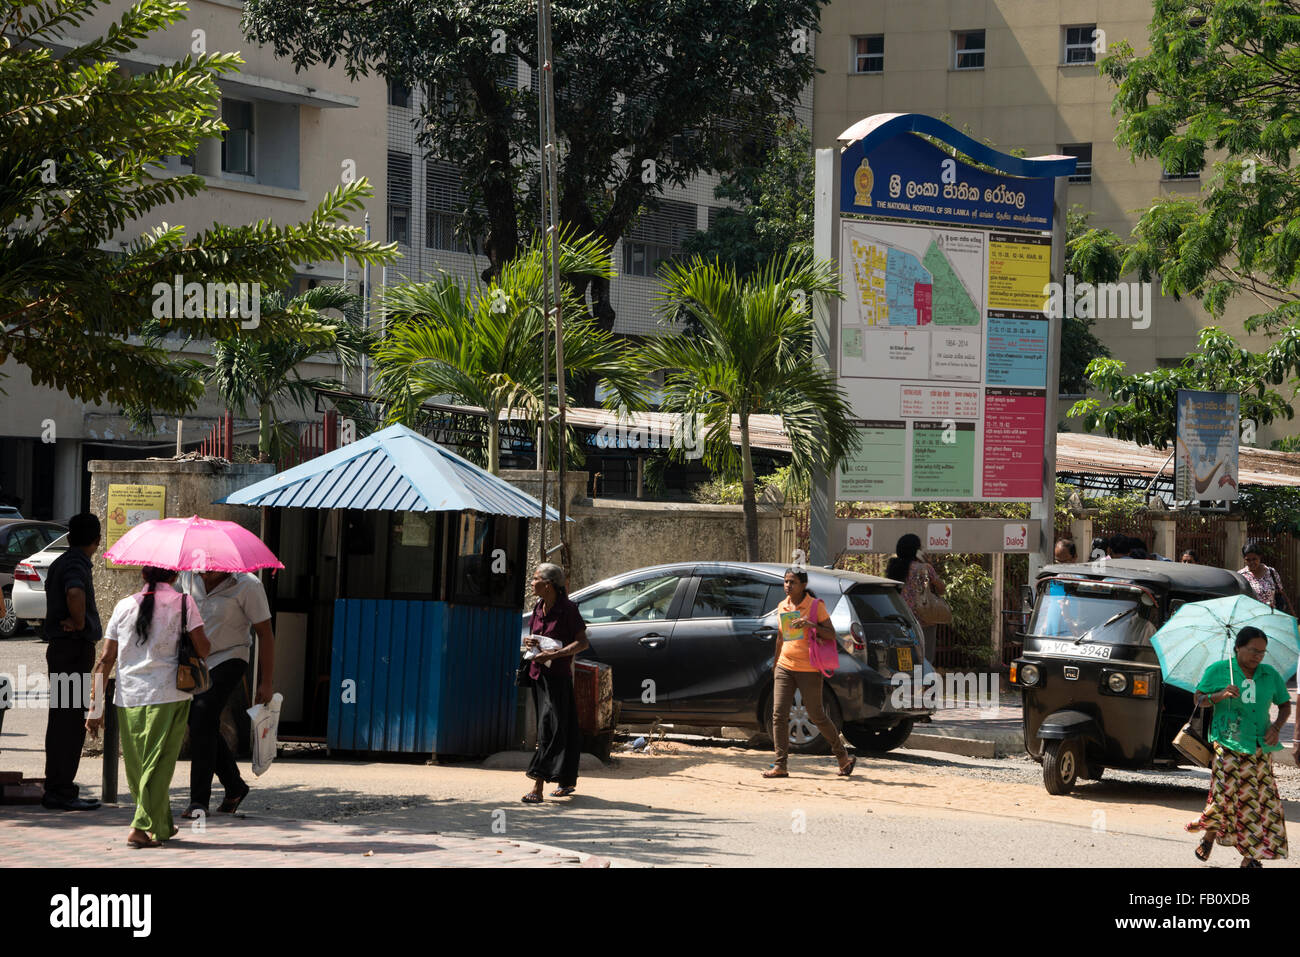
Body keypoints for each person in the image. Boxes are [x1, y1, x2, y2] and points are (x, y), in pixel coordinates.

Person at [86, 566, 210, 848]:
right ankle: (140, 828)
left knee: (141, 767)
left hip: (128, 697)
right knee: (158, 764)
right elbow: (204, 649)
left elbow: (105, 659)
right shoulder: (184, 602)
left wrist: (93, 708)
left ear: (142, 576)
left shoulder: (122, 606)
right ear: (174, 577)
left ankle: (163, 825)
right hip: (169, 695)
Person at [1187, 626, 1290, 867]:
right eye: (1254, 651)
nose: (1258, 656)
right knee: (1225, 798)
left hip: (1259, 748)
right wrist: (1220, 695)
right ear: (1238, 648)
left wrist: (1275, 728)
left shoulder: (1269, 674)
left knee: (1262, 802)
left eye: (1263, 652)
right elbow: (1198, 699)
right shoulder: (1220, 670)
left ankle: (1250, 859)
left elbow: (1285, 705)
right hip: (1227, 743)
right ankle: (1210, 835)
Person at [180, 570, 275, 819]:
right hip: (197, 660)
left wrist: (266, 682)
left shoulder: (247, 585)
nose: (207, 568)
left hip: (230, 657)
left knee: (202, 713)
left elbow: (265, 633)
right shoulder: (188, 578)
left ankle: (198, 801)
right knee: (201, 721)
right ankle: (234, 786)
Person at [763, 567, 855, 779]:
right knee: (778, 715)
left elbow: (831, 635)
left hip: (810, 669)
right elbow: (780, 637)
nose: (787, 585)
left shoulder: (815, 606)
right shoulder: (782, 606)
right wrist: (776, 663)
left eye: (792, 582)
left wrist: (811, 624)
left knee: (816, 715)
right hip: (785, 666)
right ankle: (780, 765)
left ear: (803, 585)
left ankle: (842, 757)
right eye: (786, 581)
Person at [41, 513, 103, 811]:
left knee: (62, 720)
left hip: (63, 650)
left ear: (68, 537)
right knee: (68, 723)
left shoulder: (60, 562)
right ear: (97, 540)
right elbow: (75, 591)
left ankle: (59, 786)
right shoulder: (76, 563)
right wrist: (79, 623)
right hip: (73, 650)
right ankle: (61, 790)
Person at [522, 563, 588, 803]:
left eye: (535, 578)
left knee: (550, 729)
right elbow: (540, 639)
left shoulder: (568, 609)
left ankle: (537, 786)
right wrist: (531, 643)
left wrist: (555, 655)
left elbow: (582, 643)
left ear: (548, 584)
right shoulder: (538, 607)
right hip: (538, 676)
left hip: (558, 678)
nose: (531, 582)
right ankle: (567, 780)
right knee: (564, 728)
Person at [887, 533, 945, 664]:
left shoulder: (893, 568)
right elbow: (941, 589)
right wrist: (928, 563)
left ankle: (907, 681)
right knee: (925, 658)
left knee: (906, 658)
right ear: (917, 550)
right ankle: (922, 681)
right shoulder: (924, 568)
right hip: (924, 619)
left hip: (902, 619)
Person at [1239, 542, 1290, 612]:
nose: (1251, 562)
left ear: (1260, 557)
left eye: (1254, 559)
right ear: (1244, 559)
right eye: (1248, 560)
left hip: (1271, 615)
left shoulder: (1271, 572)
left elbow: (1279, 591)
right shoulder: (1241, 575)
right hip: (1251, 616)